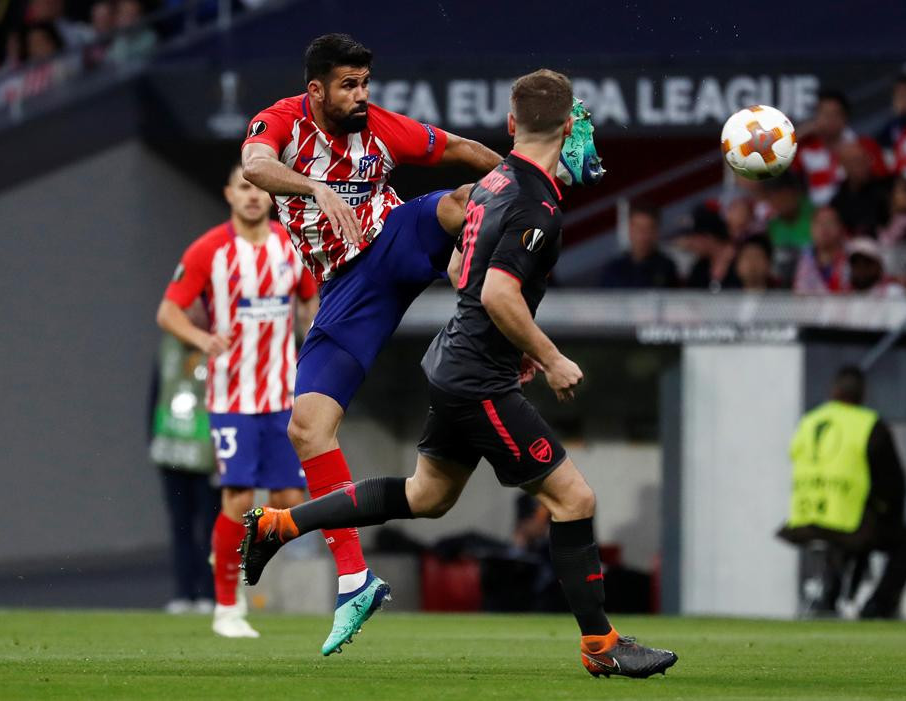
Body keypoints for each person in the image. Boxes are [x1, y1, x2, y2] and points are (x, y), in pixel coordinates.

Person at [241, 69, 678, 678]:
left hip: (455, 363)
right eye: (581, 123)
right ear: (566, 128)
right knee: (573, 497)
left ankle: (281, 524)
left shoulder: (493, 183)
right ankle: (601, 647)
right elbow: (499, 293)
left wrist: (509, 337)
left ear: (510, 127)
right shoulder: (535, 202)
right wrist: (550, 356)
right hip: (480, 379)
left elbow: (461, 272)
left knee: (429, 496)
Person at [239, 33, 505, 654]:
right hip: (347, 290)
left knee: (463, 204)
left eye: (365, 83)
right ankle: (356, 580)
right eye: (348, 85)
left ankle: (497, 326)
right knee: (307, 427)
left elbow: (462, 149)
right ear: (316, 89)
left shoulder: (381, 126)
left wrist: (525, 180)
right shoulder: (280, 121)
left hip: (395, 239)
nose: (361, 96)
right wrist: (315, 188)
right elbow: (254, 164)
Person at [156, 164, 319, 638]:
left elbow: (310, 303)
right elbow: (168, 311)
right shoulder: (210, 249)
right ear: (229, 194)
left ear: (270, 196)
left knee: (290, 500)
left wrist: (317, 342)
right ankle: (227, 606)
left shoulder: (289, 247)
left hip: (282, 393)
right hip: (232, 395)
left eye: (258, 189)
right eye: (243, 188)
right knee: (239, 496)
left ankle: (235, 552)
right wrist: (202, 338)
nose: (252, 196)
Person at [778, 366, 906, 618]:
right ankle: (877, 606)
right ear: (862, 394)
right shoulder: (868, 426)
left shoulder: (809, 422)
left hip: (803, 521)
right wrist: (889, 515)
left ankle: (829, 597)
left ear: (833, 391)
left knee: (853, 536)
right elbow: (893, 483)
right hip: (847, 523)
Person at [149, 326, 218, 615]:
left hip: (207, 455)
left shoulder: (216, 346)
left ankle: (209, 594)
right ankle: (183, 592)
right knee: (180, 525)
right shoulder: (168, 346)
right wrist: (151, 440)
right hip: (173, 453)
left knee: (210, 526)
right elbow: (154, 395)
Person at [793, 89, 887, 207]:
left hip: (856, 210)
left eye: (834, 114)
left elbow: (882, 180)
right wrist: (802, 132)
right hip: (818, 216)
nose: (829, 120)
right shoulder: (805, 149)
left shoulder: (864, 146)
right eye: (824, 114)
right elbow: (778, 162)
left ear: (845, 118)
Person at [596, 203, 679, 288]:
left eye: (649, 229)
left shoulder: (666, 268)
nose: (643, 235)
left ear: (656, 231)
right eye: (639, 228)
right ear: (630, 230)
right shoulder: (613, 269)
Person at [792, 206, 848, 294]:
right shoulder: (802, 258)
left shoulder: (852, 256)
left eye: (830, 222)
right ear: (811, 228)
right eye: (819, 222)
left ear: (840, 227)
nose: (824, 228)